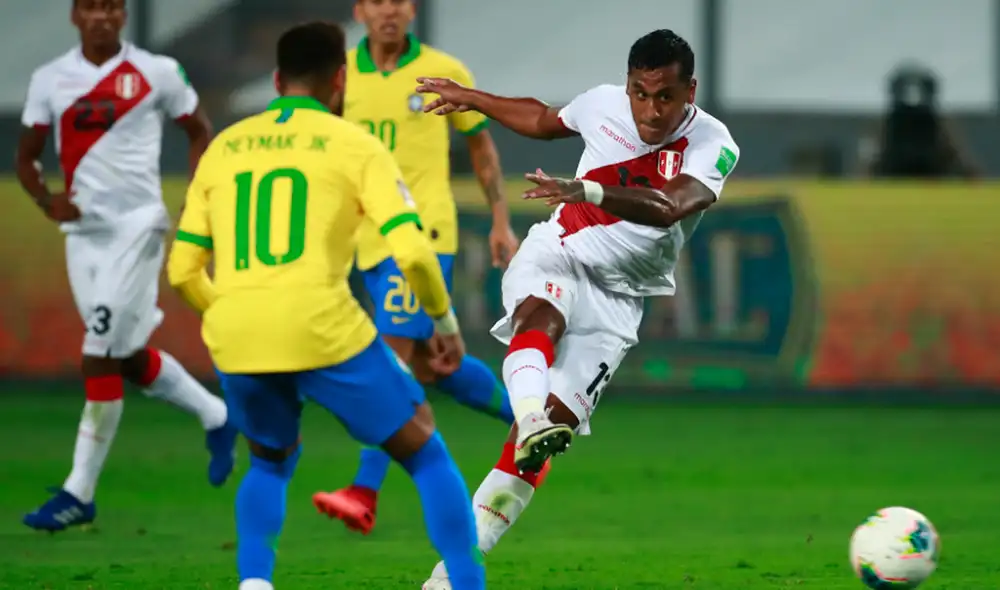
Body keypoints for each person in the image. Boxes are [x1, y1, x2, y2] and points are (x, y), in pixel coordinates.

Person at [414, 30, 741, 588]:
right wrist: (475, 98)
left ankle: (446, 575)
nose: (650, 110)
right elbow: (543, 119)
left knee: (532, 454)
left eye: (665, 96)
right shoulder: (602, 104)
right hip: (561, 250)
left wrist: (587, 191)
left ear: (691, 90)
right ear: (628, 84)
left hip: (621, 299)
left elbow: (668, 208)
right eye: (640, 93)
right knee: (540, 318)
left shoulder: (714, 142)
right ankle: (526, 422)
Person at [166, 21, 486, 590]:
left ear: (275, 80)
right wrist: (444, 323)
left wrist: (229, 310)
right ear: (340, 81)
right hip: (323, 327)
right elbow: (413, 251)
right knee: (423, 446)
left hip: (238, 333)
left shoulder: (224, 147)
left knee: (268, 459)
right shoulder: (357, 146)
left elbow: (182, 271)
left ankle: (255, 583)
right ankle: (467, 582)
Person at [16, 0, 236, 532]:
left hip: (138, 227)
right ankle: (219, 417)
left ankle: (79, 492)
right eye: (90, 7)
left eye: (111, 7)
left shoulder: (156, 72)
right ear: (74, 16)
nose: (101, 16)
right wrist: (48, 202)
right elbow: (26, 156)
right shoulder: (50, 79)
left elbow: (199, 129)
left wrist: (198, 197)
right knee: (128, 357)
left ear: (123, 15)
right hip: (82, 237)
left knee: (97, 354)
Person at [312, 0, 526, 536]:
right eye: (378, 1)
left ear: (412, 10)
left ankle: (364, 491)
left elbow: (481, 148)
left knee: (392, 359)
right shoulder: (340, 77)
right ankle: (532, 420)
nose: (390, 11)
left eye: (400, 1)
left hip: (422, 234)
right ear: (360, 10)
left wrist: (501, 219)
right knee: (436, 369)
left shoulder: (444, 74)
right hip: (366, 240)